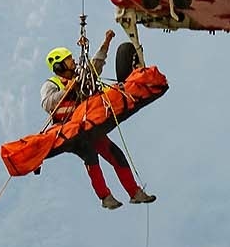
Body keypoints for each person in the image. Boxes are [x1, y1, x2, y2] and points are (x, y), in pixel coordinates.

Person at [42, 33, 157, 210]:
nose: (73, 62)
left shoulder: (81, 77)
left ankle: (135, 192)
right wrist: (69, 88)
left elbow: (96, 65)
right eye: (69, 60)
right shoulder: (52, 84)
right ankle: (105, 197)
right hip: (70, 133)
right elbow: (48, 103)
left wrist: (106, 42)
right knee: (90, 155)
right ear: (59, 65)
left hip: (88, 127)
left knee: (116, 154)